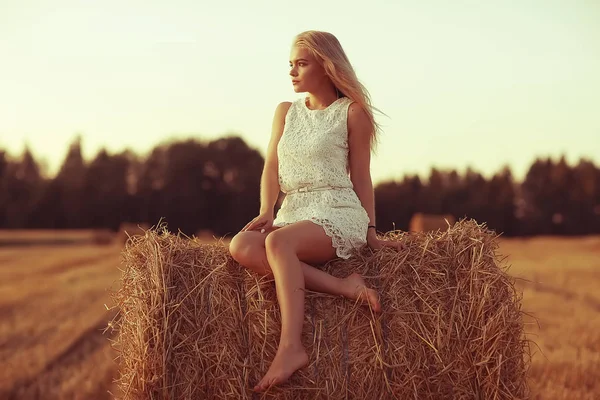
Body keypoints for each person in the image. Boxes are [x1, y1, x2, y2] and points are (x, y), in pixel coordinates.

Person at [228, 30, 402, 393]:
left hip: (337, 210)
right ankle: (344, 286)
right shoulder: (285, 112)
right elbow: (272, 165)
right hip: (294, 211)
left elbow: (362, 177)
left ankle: (292, 348)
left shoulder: (352, 113)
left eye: (301, 64)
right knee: (241, 245)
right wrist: (266, 209)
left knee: (277, 246)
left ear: (326, 66)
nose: (292, 72)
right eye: (290, 64)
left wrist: (370, 231)